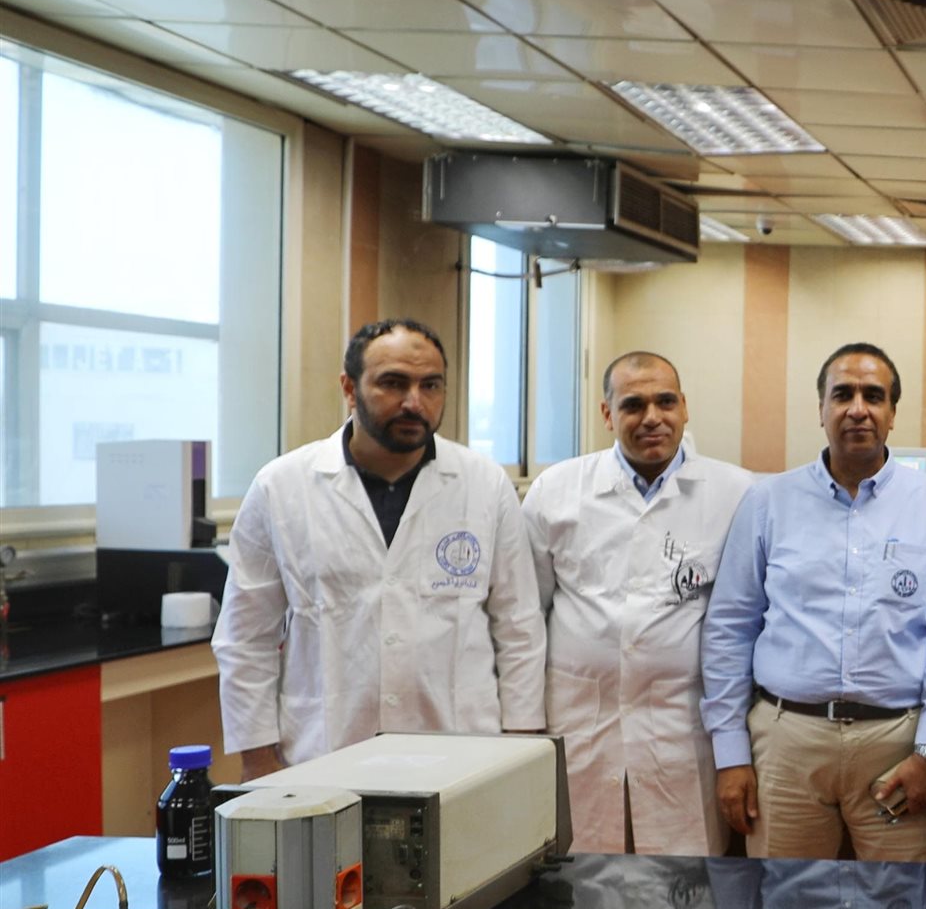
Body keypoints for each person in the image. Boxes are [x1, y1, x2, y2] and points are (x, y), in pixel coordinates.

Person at [214, 318, 545, 775]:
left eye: (431, 385)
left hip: (461, 753)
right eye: (393, 383)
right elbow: (246, 636)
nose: (414, 402)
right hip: (323, 752)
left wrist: (523, 751)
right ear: (349, 389)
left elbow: (519, 626)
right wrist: (257, 759)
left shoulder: (484, 483)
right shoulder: (281, 487)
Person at [701, 342, 926, 861]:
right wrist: (730, 754)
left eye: (873, 396)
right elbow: (730, 629)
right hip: (787, 744)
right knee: (786, 902)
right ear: (821, 408)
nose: (857, 409)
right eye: (843, 394)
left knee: (900, 906)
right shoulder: (768, 501)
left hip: (899, 743)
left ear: (892, 413)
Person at [523, 351, 753, 854]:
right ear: (607, 414)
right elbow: (526, 616)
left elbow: (744, 624)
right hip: (580, 725)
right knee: (582, 878)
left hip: (681, 731)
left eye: (665, 402)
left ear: (685, 407)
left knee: (682, 884)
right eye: (633, 405)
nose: (652, 417)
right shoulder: (556, 490)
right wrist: (521, 727)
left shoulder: (737, 493)